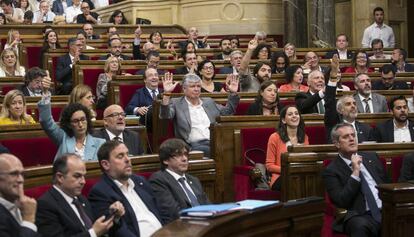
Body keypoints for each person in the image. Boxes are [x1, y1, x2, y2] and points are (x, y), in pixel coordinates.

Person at [322, 123, 388, 236]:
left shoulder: (371, 158)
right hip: (359, 214)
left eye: (353, 135)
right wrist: (355, 172)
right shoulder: (331, 170)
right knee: (360, 226)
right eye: (346, 137)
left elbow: (387, 184)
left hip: (385, 210)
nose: (352, 139)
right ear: (337, 143)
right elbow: (341, 200)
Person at [36, 153, 125, 237]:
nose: (83, 181)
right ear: (60, 177)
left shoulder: (81, 199)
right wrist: (93, 233)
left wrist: (113, 216)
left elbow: (98, 228)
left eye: (83, 176)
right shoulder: (45, 205)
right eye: (77, 176)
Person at [88, 140, 164, 237]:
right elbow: (118, 232)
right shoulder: (100, 192)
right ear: (106, 164)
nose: (128, 159)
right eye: (120, 156)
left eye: (128, 154)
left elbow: (160, 211)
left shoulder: (140, 181)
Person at [160, 73, 240, 158]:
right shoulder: (176, 103)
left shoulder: (208, 102)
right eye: (192, 86)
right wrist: (167, 94)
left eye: (198, 86)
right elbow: (165, 115)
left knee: (234, 147)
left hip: (215, 141)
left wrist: (233, 93)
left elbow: (227, 113)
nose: (196, 89)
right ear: (184, 89)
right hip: (193, 145)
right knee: (211, 150)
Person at [38, 74, 105, 161]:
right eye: (76, 121)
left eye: (83, 120)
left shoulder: (100, 142)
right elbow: (46, 121)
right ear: (69, 124)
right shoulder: (63, 138)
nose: (80, 124)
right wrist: (45, 93)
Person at [149, 138, 210, 224]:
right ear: (165, 160)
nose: (184, 159)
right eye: (178, 155)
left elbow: (208, 206)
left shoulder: (194, 180)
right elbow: (173, 213)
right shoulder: (159, 180)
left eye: (185, 154)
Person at [324, 60, 373, 143]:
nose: (353, 106)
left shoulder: (367, 128)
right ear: (340, 110)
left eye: (354, 103)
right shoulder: (333, 125)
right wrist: (332, 78)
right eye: (348, 104)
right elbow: (329, 101)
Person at [266, 105, 308, 191]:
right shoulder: (274, 137)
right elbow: (269, 165)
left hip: (300, 175)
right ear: (283, 120)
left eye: (296, 113)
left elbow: (307, 161)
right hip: (281, 177)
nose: (294, 116)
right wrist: (289, 170)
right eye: (290, 114)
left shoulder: (304, 137)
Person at [0, 153, 40, 237]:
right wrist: (29, 218)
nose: (21, 180)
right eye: (14, 174)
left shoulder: (23, 205)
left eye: (22, 174)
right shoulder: (28, 212)